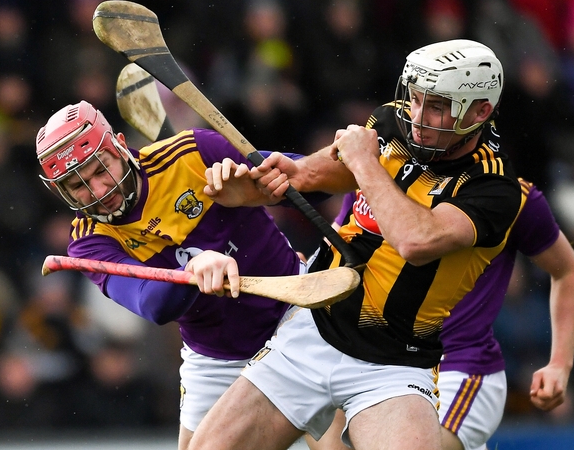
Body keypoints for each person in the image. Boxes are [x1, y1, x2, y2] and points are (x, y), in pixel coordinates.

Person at [193, 39, 523, 450]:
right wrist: (273, 180)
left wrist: (364, 161)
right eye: (415, 98)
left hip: (394, 363)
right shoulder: (393, 121)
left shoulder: (494, 188)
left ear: (480, 111)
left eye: (436, 106)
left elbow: (415, 240)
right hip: (311, 331)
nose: (418, 117)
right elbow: (318, 174)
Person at [34, 100, 304, 450]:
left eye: (101, 169)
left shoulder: (193, 152)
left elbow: (305, 180)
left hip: (295, 309)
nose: (99, 192)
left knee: (330, 442)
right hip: (215, 355)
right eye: (77, 184)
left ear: (118, 144)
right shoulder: (87, 242)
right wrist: (191, 271)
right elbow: (152, 304)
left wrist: (256, 187)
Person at [307, 170, 574, 450]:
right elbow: (340, 258)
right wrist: (307, 272)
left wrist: (560, 364)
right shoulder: (378, 173)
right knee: (315, 414)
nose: (423, 125)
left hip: (463, 369)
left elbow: (569, 272)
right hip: (382, 361)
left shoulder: (511, 196)